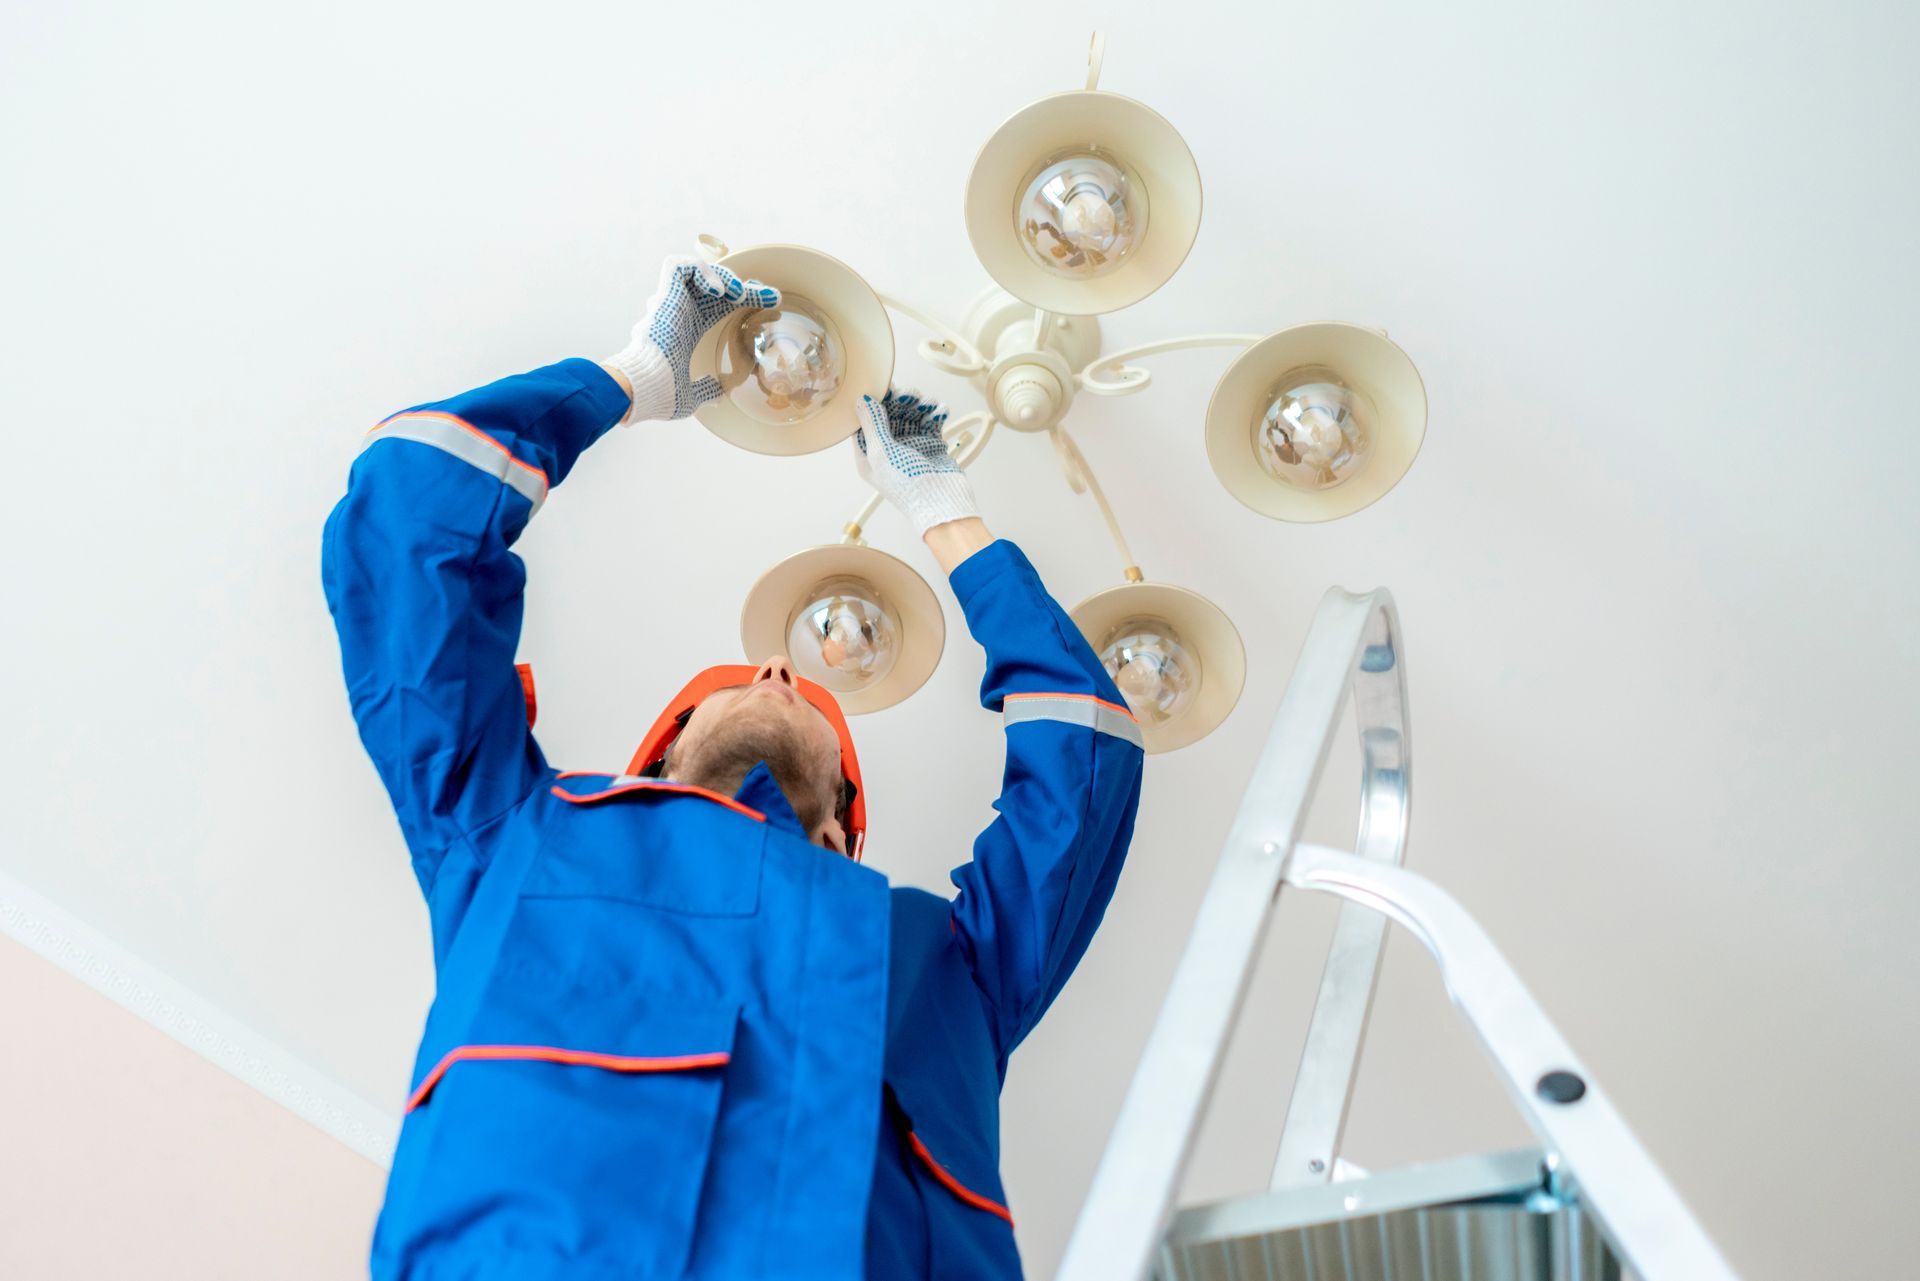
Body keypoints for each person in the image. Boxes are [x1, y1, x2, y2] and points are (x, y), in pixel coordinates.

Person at [321, 252, 1147, 1280]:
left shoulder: (949, 969)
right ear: (654, 761)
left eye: (807, 698)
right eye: (741, 680)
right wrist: (634, 380)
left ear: (849, 830)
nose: (774, 667)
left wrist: (946, 513)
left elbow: (1088, 755)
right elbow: (405, 519)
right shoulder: (506, 835)